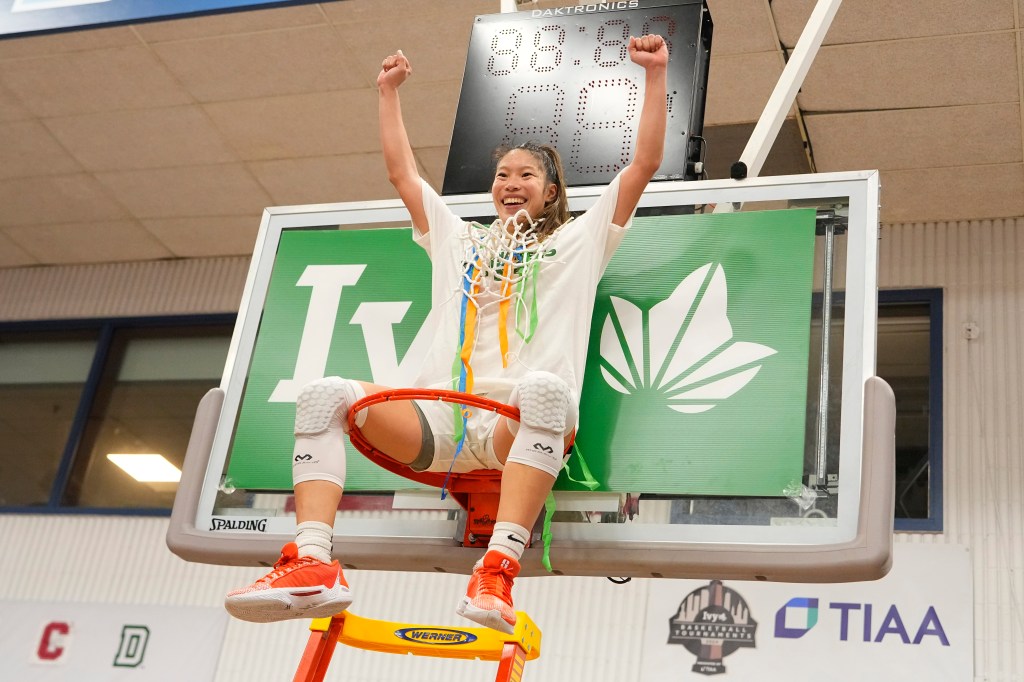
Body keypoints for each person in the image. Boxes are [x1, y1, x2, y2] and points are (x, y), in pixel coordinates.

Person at [225, 34, 668, 634]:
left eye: (527, 174)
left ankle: (497, 572)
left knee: (542, 386)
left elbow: (642, 165)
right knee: (324, 394)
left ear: (552, 189)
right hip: (442, 427)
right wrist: (387, 94)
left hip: (520, 423)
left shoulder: (579, 240)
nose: (511, 182)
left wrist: (655, 74)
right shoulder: (460, 240)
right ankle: (311, 562)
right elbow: (402, 173)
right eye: (503, 174)